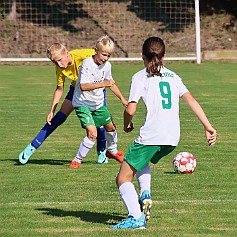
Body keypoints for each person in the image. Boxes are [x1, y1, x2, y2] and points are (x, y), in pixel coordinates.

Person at [111, 36, 217, 229]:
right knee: (140, 160)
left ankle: (136, 218)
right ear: (164, 56)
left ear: (142, 56)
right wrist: (208, 126)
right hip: (172, 138)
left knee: (123, 178)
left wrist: (127, 124)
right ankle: (145, 193)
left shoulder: (140, 77)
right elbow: (191, 100)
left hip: (152, 135)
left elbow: (131, 109)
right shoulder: (173, 76)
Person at [19, 43, 109, 165]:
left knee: (99, 124)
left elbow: (100, 53)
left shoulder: (82, 55)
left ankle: (102, 153)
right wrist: (52, 110)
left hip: (95, 92)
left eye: (60, 60)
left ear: (67, 53)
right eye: (55, 62)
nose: (59, 64)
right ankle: (31, 147)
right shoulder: (59, 68)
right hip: (76, 91)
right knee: (58, 118)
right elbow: (59, 89)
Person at [68, 35, 128, 169]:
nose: (105, 58)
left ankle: (112, 151)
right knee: (93, 133)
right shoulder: (87, 64)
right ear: (95, 50)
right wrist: (104, 83)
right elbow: (83, 86)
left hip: (98, 104)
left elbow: (111, 83)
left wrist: (123, 99)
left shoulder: (107, 66)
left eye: (108, 56)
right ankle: (77, 160)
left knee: (111, 127)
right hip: (82, 103)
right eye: (104, 55)